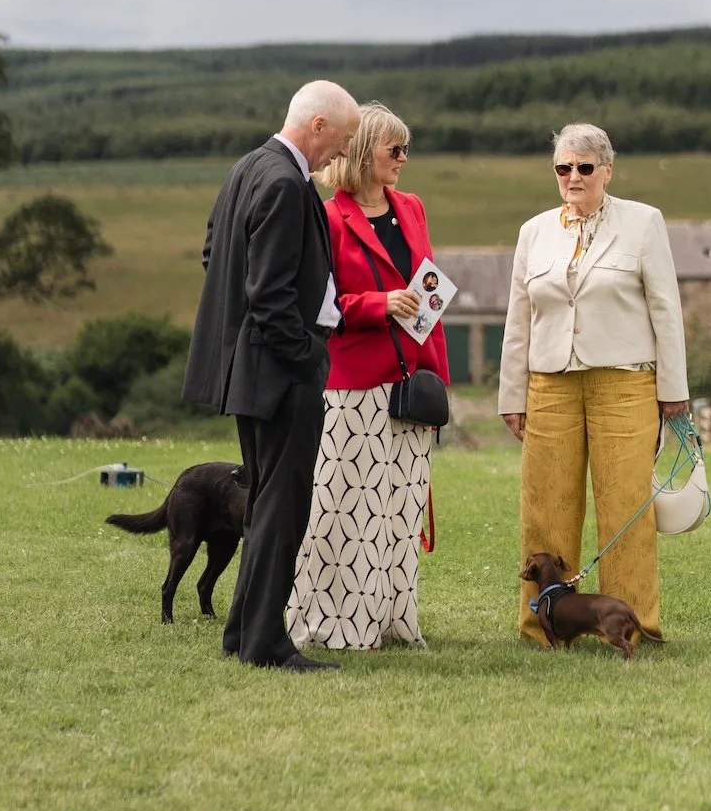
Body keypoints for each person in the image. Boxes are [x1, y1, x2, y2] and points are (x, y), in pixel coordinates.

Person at [181, 79, 361, 672]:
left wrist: (244, 339)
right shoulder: (284, 182)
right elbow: (271, 294)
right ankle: (265, 642)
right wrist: (307, 355)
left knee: (263, 503)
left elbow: (215, 255)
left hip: (252, 373)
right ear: (317, 125)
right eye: (342, 138)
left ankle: (242, 632)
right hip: (282, 375)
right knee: (283, 508)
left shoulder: (248, 168)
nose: (344, 151)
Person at [497, 122, 690, 647]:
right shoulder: (533, 232)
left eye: (584, 167)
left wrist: (673, 389)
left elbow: (666, 309)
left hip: (625, 384)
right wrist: (512, 395)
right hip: (549, 385)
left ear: (607, 170)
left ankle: (632, 625)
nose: (573, 177)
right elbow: (518, 321)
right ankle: (543, 625)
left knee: (626, 506)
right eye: (563, 167)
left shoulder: (644, 223)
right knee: (545, 505)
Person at [289, 102, 449, 651]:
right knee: (345, 508)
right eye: (394, 149)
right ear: (361, 152)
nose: (403, 159)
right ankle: (338, 625)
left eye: (407, 149)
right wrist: (380, 304)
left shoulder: (413, 207)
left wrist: (438, 380)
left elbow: (429, 293)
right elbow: (320, 304)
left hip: (412, 382)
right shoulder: (329, 217)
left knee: (401, 509)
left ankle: (392, 619)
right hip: (352, 384)